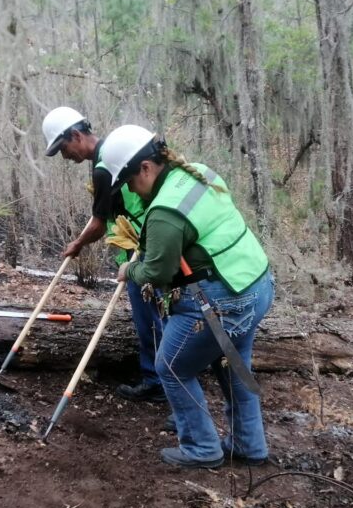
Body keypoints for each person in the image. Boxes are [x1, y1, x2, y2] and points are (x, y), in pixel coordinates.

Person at [100, 124, 274, 469]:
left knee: (171, 367)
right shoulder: (198, 173)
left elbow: (157, 272)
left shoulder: (165, 211)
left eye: (130, 181)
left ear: (146, 169)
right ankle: (249, 445)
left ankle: (200, 448)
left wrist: (128, 271)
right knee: (232, 366)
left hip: (222, 299)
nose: (132, 190)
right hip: (256, 285)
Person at [42, 107, 165, 402]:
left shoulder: (103, 168)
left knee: (150, 320)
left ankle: (158, 383)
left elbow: (97, 225)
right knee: (159, 318)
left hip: (141, 251)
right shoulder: (115, 151)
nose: (65, 156)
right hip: (150, 244)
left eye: (63, 148)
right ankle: (161, 379)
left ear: (75, 135)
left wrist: (77, 244)